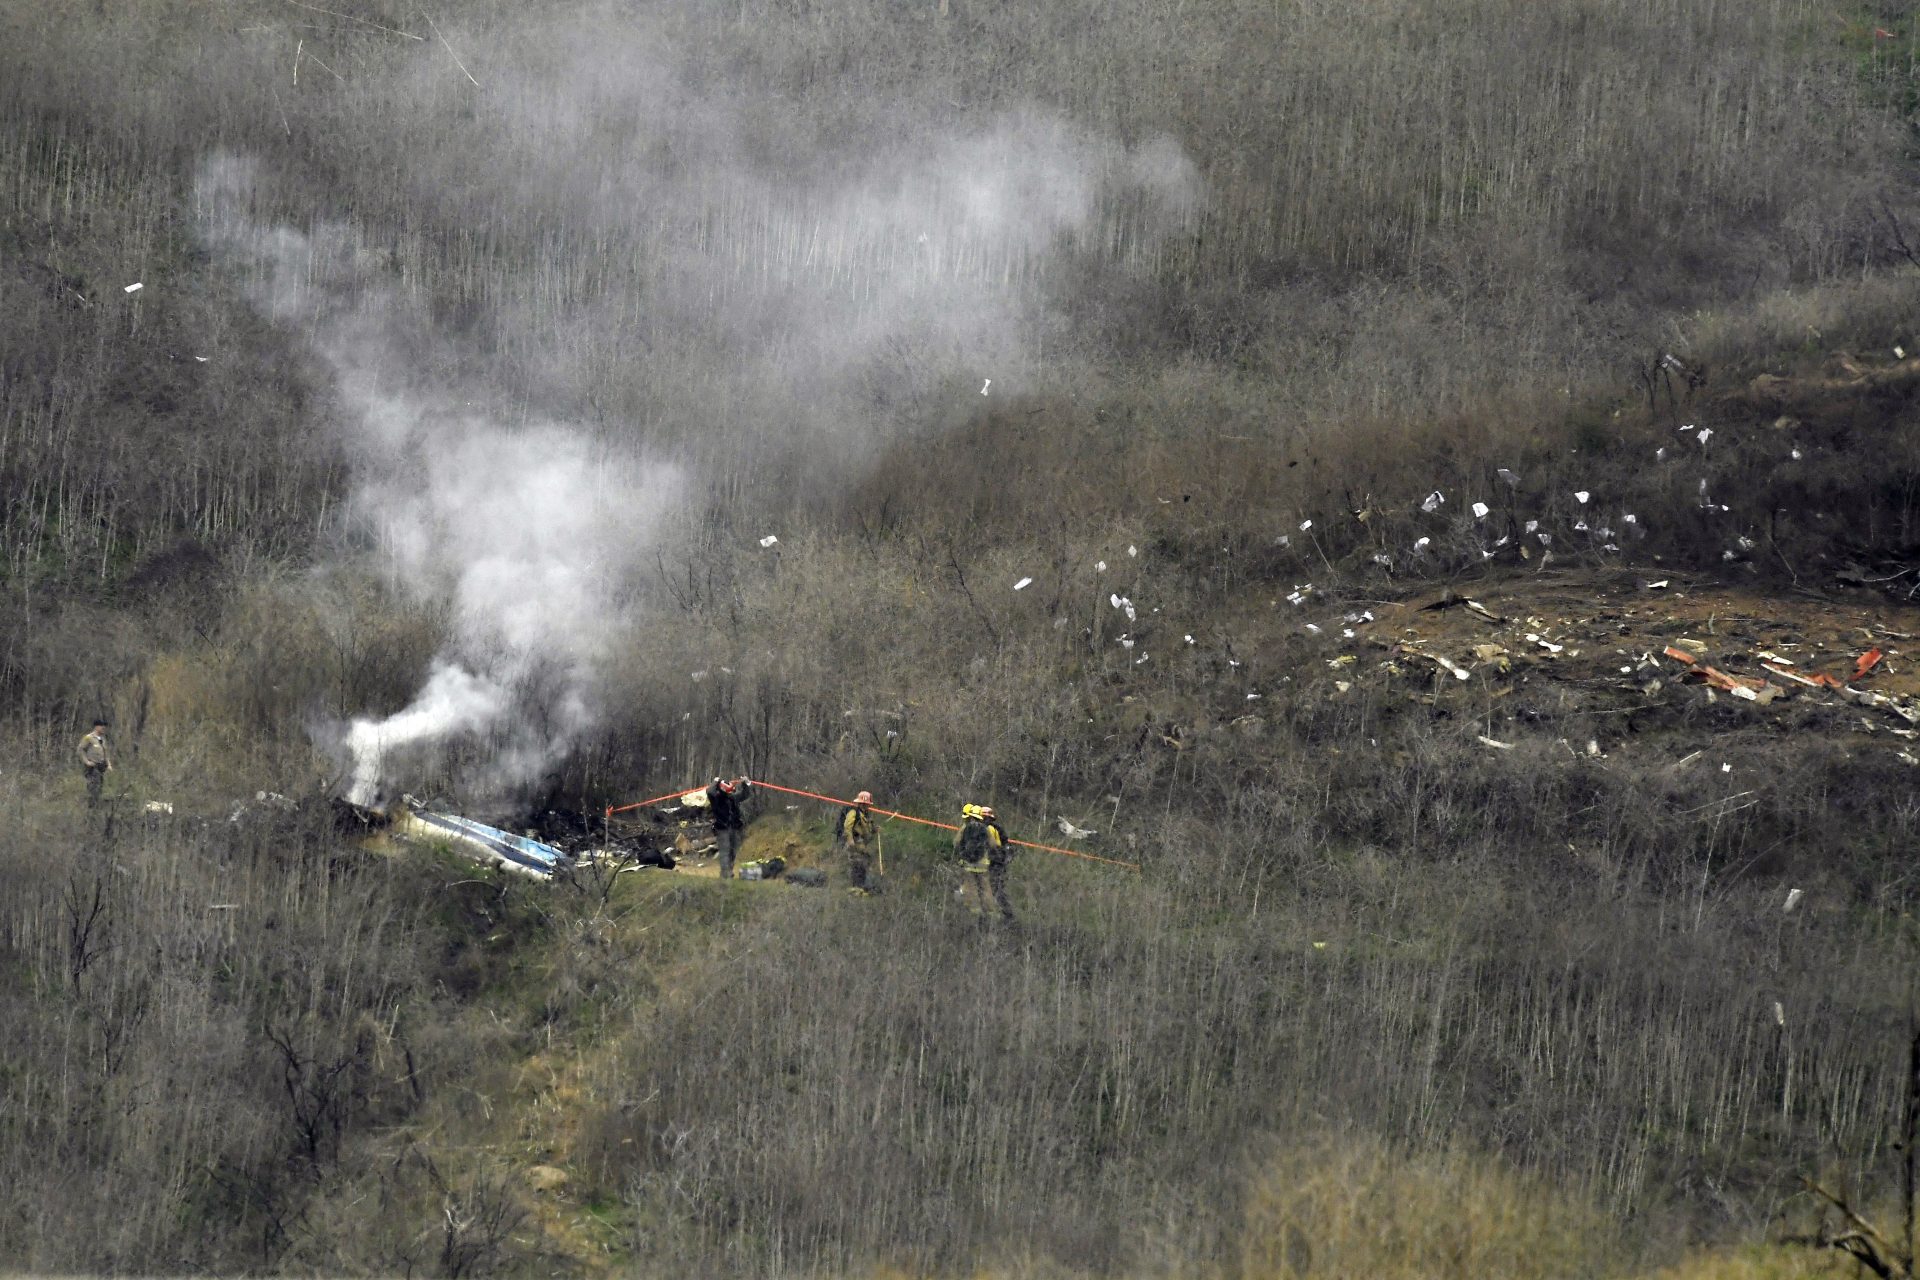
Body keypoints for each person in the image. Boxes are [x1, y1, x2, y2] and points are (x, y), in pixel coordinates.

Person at [954, 803, 1013, 921]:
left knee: (972, 887)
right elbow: (993, 845)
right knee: (986, 888)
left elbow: (956, 842)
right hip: (982, 863)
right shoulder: (985, 829)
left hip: (969, 863)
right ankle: (990, 912)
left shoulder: (965, 828)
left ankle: (975, 911)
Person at [705, 776, 752, 879]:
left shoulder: (732, 798)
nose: (730, 792)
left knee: (733, 851)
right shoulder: (716, 798)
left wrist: (745, 784)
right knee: (725, 851)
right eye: (728, 790)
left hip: (735, 828)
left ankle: (729, 871)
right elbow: (709, 791)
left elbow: (745, 794)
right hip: (722, 829)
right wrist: (715, 782)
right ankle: (726, 875)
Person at [837, 790, 878, 894]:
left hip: (861, 844)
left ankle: (861, 887)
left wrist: (874, 830)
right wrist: (850, 840)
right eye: (866, 804)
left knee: (865, 863)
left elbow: (866, 829)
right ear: (862, 803)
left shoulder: (865, 815)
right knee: (857, 865)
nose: (868, 806)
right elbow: (847, 826)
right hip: (854, 843)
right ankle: (855, 888)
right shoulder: (854, 812)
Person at [79, 719, 112, 808]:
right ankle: (92, 807)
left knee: (100, 787)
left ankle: (97, 805)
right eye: (101, 725)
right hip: (92, 767)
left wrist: (108, 764)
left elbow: (106, 752)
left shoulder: (102, 739)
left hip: (101, 767)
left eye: (104, 725)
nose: (103, 727)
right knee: (93, 787)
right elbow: (81, 750)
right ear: (96, 726)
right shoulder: (88, 738)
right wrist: (87, 761)